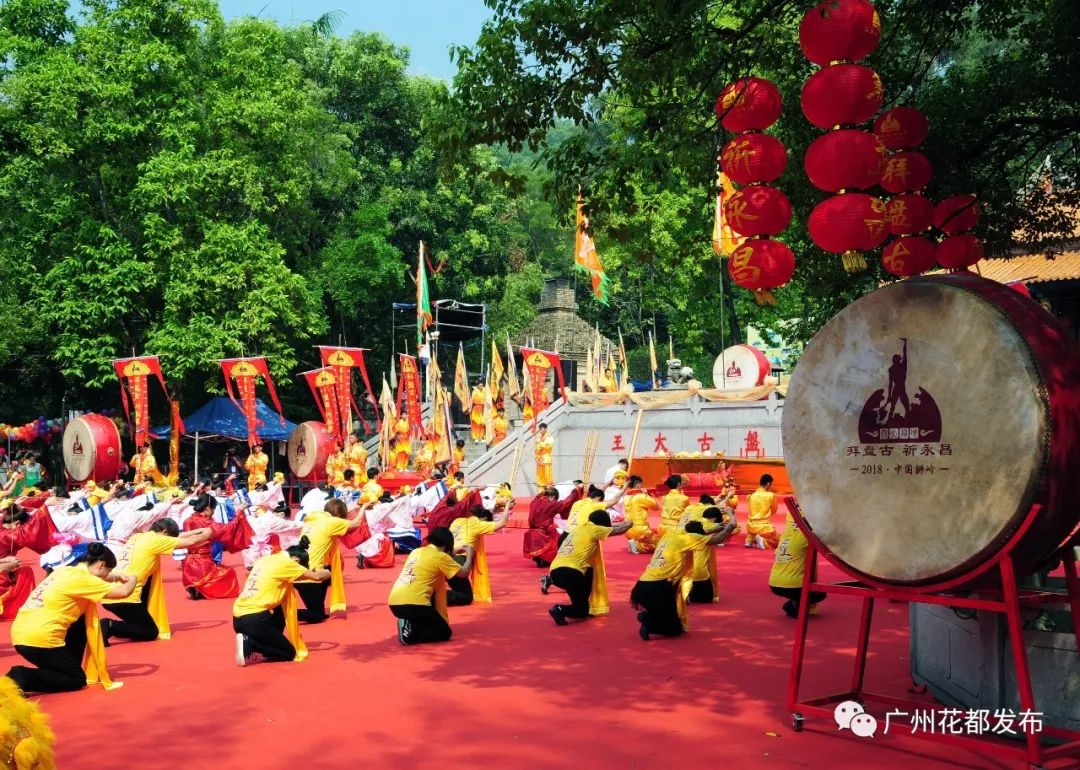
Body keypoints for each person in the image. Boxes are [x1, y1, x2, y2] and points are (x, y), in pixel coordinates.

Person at [8, 543, 137, 693]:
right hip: (39, 640)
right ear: (101, 565)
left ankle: (61, 666)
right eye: (107, 571)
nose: (106, 576)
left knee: (81, 619)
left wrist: (114, 575)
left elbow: (98, 578)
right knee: (75, 679)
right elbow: (123, 592)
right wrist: (133, 578)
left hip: (22, 633)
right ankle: (19, 677)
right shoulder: (84, 580)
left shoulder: (65, 571)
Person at [101, 519, 213, 644]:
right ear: (164, 532)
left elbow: (179, 537)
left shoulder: (139, 536)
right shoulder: (155, 541)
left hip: (109, 593)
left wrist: (197, 531)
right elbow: (190, 541)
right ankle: (109, 626)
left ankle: (127, 626)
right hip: (125, 597)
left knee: (138, 622)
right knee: (150, 631)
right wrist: (210, 532)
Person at [631, 517, 736, 640]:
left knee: (668, 616)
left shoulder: (671, 535)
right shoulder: (689, 539)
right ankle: (647, 619)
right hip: (659, 587)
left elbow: (694, 535)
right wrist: (730, 527)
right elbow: (717, 539)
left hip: (642, 585)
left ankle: (649, 616)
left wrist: (713, 529)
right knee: (674, 630)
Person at [233, 537, 331, 666]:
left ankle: (265, 642)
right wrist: (329, 571)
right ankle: (251, 643)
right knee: (289, 653)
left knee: (280, 604)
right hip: (256, 619)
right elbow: (317, 577)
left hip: (239, 617)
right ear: (296, 560)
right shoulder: (287, 564)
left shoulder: (266, 559)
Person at [388, 527, 474, 645]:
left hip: (395, 603)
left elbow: (439, 555)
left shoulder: (416, 551)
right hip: (414, 604)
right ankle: (410, 635)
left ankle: (409, 623)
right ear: (447, 544)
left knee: (428, 621)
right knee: (444, 632)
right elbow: (464, 573)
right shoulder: (440, 557)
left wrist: (455, 549)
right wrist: (469, 554)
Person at [546, 510, 632, 626]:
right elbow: (620, 529)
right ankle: (560, 609)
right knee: (582, 610)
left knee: (584, 590)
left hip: (556, 572)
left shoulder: (578, 529)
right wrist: (631, 521)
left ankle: (575, 608)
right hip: (571, 573)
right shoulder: (594, 530)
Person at [294, 498, 368, 623]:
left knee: (329, 570)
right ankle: (284, 614)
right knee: (315, 615)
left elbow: (335, 515)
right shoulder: (331, 523)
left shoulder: (316, 518)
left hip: (298, 567)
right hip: (309, 574)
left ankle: (316, 606)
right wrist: (364, 507)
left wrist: (356, 506)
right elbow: (355, 523)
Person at [181, 494, 252, 600]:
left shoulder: (187, 521)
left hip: (188, 562)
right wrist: (239, 513)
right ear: (208, 509)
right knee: (229, 572)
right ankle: (204, 589)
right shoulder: (206, 522)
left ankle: (196, 587)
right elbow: (227, 529)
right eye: (214, 510)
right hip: (202, 563)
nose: (214, 513)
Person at [1, 502, 57, 620]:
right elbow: (26, 533)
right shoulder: (6, 535)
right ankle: (18, 609)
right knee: (25, 572)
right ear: (17, 524)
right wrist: (41, 511)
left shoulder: (3, 525)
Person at [447, 504, 509, 605]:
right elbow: (502, 522)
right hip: (458, 561)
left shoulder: (457, 520)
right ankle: (437, 597)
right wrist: (507, 506)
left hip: (444, 558)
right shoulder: (478, 524)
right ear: (484, 518)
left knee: (459, 589)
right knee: (466, 597)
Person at [769, 513, 826, 619]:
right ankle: (795, 606)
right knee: (821, 594)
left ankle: (795, 602)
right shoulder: (806, 537)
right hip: (794, 586)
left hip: (773, 583)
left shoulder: (785, 534)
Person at [522, 483, 583, 567]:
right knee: (558, 536)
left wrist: (547, 489)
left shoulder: (534, 501)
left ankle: (539, 558)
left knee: (554, 528)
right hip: (542, 534)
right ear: (553, 497)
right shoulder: (551, 504)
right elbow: (567, 502)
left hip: (530, 533)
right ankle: (549, 558)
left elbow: (540, 495)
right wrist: (576, 490)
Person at [685, 507, 726, 603]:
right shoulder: (705, 539)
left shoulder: (683, 540)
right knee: (707, 599)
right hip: (701, 575)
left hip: (686, 575)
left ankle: (687, 595)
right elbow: (723, 534)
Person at [623, 475, 659, 554]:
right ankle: (638, 546)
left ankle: (635, 543)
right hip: (640, 529)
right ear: (638, 485)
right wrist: (647, 495)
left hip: (627, 529)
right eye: (641, 484)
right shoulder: (641, 496)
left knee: (643, 539)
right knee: (661, 542)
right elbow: (656, 507)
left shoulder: (626, 497)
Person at [746, 474, 780, 549]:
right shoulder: (770, 495)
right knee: (778, 541)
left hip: (750, 526)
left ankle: (751, 539)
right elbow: (774, 510)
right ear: (768, 484)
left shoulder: (751, 495)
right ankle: (763, 541)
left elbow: (749, 509)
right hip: (764, 527)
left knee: (752, 527)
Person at [534, 423, 554, 488]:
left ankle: (549, 491)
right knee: (540, 477)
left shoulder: (550, 438)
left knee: (547, 476)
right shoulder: (538, 439)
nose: (540, 431)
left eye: (542, 429)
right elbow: (536, 450)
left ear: (545, 429)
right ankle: (541, 491)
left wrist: (540, 443)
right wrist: (536, 458)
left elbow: (547, 447)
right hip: (540, 460)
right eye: (539, 429)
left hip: (546, 459)